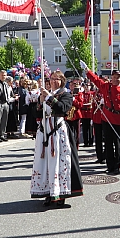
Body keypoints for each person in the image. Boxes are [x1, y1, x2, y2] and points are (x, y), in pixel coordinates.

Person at [30, 71, 83, 208]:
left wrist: (48, 98)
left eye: (57, 79)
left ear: (62, 81)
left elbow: (63, 108)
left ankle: (60, 194)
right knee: (45, 162)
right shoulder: (46, 94)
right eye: (52, 79)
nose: (53, 81)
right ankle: (47, 192)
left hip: (58, 131)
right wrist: (40, 103)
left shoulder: (66, 95)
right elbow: (37, 113)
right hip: (45, 130)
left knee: (59, 161)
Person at [84, 62, 120, 176]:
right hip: (106, 119)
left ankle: (117, 166)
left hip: (118, 119)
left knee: (117, 144)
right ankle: (110, 166)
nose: (115, 80)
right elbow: (95, 79)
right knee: (108, 143)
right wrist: (87, 69)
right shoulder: (106, 86)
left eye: (118, 78)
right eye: (114, 77)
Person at [0, 70, 12, 142]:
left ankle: (2, 134)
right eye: (2, 75)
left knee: (4, 120)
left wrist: (8, 101)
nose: (4, 77)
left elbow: (8, 93)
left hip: (5, 103)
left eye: (5, 75)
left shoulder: (6, 84)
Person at [78, 82, 94, 147]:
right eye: (85, 86)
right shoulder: (81, 94)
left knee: (90, 129)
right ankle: (85, 142)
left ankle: (91, 142)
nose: (86, 87)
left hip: (90, 113)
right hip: (84, 113)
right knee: (84, 129)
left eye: (88, 86)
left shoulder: (92, 93)